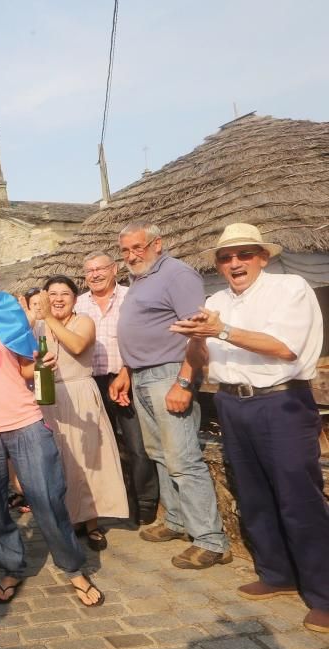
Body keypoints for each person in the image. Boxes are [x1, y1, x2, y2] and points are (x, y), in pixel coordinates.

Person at [172, 223, 328, 633]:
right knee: (254, 492)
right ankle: (277, 574)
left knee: (299, 497)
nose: (234, 263)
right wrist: (195, 338)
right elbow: (202, 355)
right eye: (226, 257)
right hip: (231, 401)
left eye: (244, 254)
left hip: (282, 400)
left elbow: (284, 346)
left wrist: (219, 329)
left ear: (263, 256)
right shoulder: (216, 299)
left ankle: (325, 593)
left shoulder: (291, 288)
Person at [0, 252, 104, 608]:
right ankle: (11, 565)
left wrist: (42, 363)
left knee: (47, 499)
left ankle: (73, 568)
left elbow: (26, 370)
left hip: (24, 421)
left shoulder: (10, 312)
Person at [112, 221, 231, 569]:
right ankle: (178, 521)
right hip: (143, 376)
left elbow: (198, 332)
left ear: (157, 244)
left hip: (169, 374)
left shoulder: (178, 275)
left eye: (139, 247)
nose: (132, 255)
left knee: (182, 457)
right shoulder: (142, 279)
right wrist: (126, 371)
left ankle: (211, 540)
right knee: (159, 454)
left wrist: (183, 381)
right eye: (126, 250)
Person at [28, 276, 129, 550]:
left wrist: (49, 319)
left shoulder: (83, 321)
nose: (58, 299)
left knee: (88, 460)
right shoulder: (36, 326)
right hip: (48, 398)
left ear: (75, 299)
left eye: (65, 294)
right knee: (60, 460)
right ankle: (70, 519)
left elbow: (76, 346)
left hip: (80, 393)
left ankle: (93, 523)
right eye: (52, 294)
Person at [74, 252, 158, 525]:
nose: (95, 275)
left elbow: (144, 338)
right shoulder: (78, 304)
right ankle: (115, 505)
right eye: (89, 271)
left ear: (114, 269)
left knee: (137, 445)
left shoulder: (130, 297)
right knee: (102, 449)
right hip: (91, 384)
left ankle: (145, 505)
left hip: (126, 378)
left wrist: (127, 372)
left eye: (100, 269)